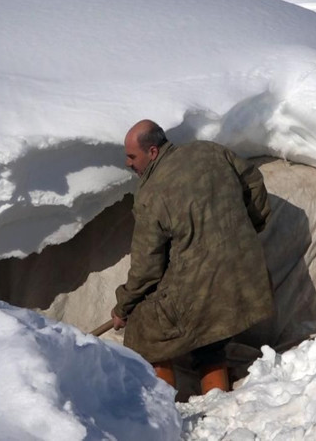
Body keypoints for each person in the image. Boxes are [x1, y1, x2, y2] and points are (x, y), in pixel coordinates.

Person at [111, 119, 273, 394]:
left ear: (152, 152)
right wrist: (248, 229)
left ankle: (162, 404)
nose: (128, 164)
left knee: (143, 328)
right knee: (210, 332)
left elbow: (147, 267)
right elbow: (254, 184)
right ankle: (215, 397)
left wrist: (123, 307)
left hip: (204, 284)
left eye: (131, 156)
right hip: (246, 274)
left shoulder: (151, 194)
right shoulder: (211, 151)